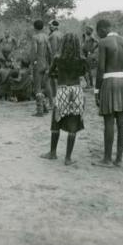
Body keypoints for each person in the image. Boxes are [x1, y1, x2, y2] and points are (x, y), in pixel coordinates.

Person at [40, 33, 86, 166]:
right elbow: (83, 73)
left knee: (56, 121)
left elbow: (49, 74)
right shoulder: (81, 59)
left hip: (62, 90)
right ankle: (68, 158)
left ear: (63, 43)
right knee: (73, 123)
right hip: (76, 90)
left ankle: (53, 152)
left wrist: (58, 74)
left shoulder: (57, 58)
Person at [95, 19, 123, 167]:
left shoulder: (104, 42)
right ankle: (119, 159)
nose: (98, 36)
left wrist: (97, 89)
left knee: (109, 121)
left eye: (98, 33)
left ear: (102, 30)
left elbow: (100, 69)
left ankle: (107, 159)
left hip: (109, 81)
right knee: (122, 122)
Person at [31, 20, 53, 117]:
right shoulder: (46, 37)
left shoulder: (35, 37)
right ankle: (46, 106)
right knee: (47, 84)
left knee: (38, 87)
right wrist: (50, 64)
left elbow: (34, 51)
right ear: (43, 27)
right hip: (46, 63)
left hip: (38, 63)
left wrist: (33, 62)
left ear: (35, 27)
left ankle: (40, 110)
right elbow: (50, 51)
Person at [48, 20, 63, 97]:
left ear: (55, 26)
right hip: (62, 58)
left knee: (53, 78)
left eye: (51, 25)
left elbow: (53, 49)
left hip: (55, 58)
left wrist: (52, 62)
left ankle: (55, 94)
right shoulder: (61, 34)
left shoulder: (53, 35)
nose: (49, 27)